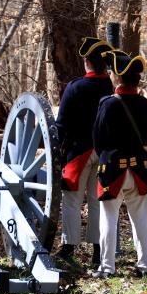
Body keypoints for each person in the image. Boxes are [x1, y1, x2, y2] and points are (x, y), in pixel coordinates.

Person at [91, 50, 147, 279]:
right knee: (140, 220)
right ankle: (145, 266)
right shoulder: (143, 105)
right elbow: (144, 136)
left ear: (117, 77)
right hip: (139, 169)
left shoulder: (107, 104)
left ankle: (107, 268)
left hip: (113, 170)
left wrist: (107, 155)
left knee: (108, 219)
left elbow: (98, 140)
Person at [55, 37, 114, 264]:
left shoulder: (75, 87)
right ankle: (98, 250)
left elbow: (61, 125)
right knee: (97, 200)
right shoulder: (111, 86)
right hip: (103, 151)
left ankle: (69, 245)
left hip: (78, 151)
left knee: (71, 200)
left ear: (87, 62)